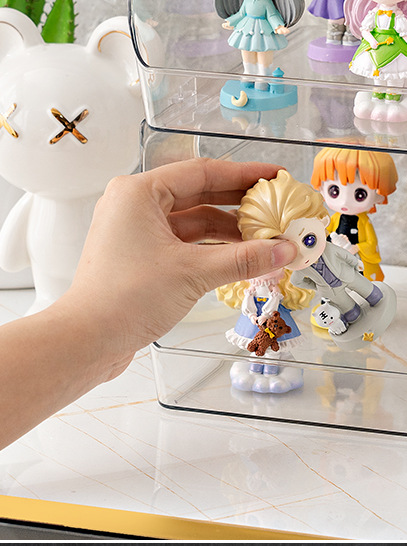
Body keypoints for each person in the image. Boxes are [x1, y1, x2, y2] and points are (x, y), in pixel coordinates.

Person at [0, 158, 297, 451]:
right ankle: (259, 365)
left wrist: (98, 328)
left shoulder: (279, 287)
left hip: (270, 316)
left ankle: (273, 368)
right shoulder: (251, 286)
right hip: (257, 318)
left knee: (273, 347)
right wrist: (97, 322)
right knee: (257, 346)